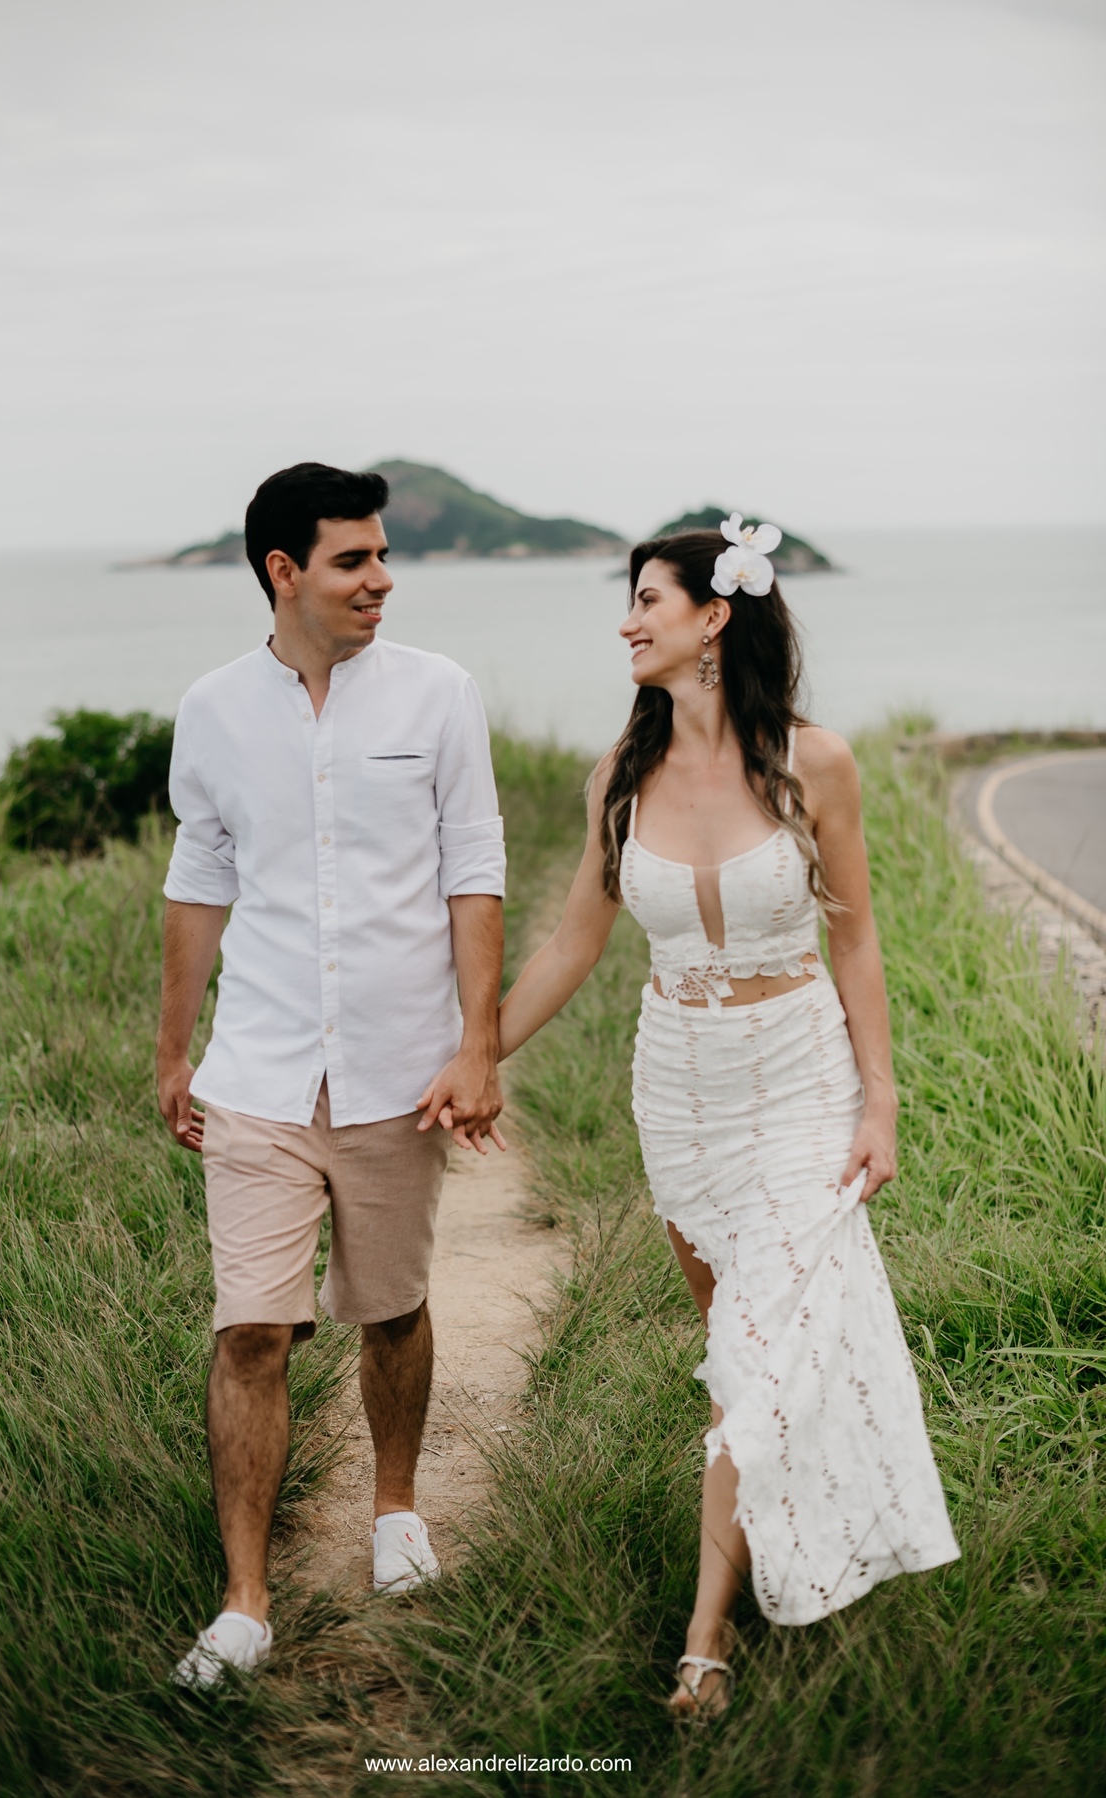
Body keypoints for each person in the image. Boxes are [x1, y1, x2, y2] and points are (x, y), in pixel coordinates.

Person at [494, 520, 960, 1717]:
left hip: (802, 1079)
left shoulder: (817, 763)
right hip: (683, 1092)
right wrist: (470, 1054)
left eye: (647, 598)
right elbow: (570, 944)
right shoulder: (619, 776)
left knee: (758, 1352)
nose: (626, 620)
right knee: (738, 1356)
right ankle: (774, 1540)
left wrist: (882, 1103)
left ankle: (707, 1634)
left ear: (715, 617)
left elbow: (852, 933)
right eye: (629, 600)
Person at [157, 461, 507, 1690]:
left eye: (382, 553)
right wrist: (171, 1049)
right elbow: (198, 884)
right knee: (250, 1328)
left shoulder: (439, 695)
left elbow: (475, 869)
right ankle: (245, 1601)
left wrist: (478, 1043)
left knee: (391, 1307)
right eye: (354, 558)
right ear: (283, 571)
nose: (382, 577)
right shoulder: (211, 709)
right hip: (256, 1069)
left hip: (398, 1069)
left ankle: (396, 1507)